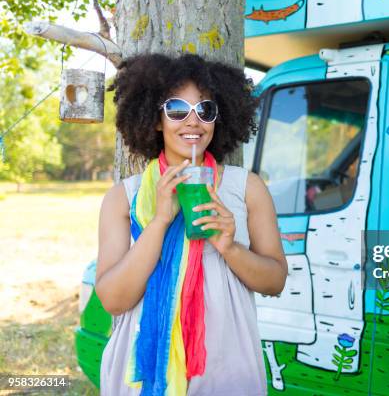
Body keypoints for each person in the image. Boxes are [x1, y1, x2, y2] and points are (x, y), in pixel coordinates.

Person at [96, 53, 287, 396]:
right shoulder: (124, 198)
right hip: (140, 376)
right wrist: (159, 222)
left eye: (205, 110)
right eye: (177, 110)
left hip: (227, 370)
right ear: (156, 120)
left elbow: (275, 281)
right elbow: (112, 300)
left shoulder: (246, 189)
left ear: (218, 118)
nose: (193, 122)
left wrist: (228, 245)